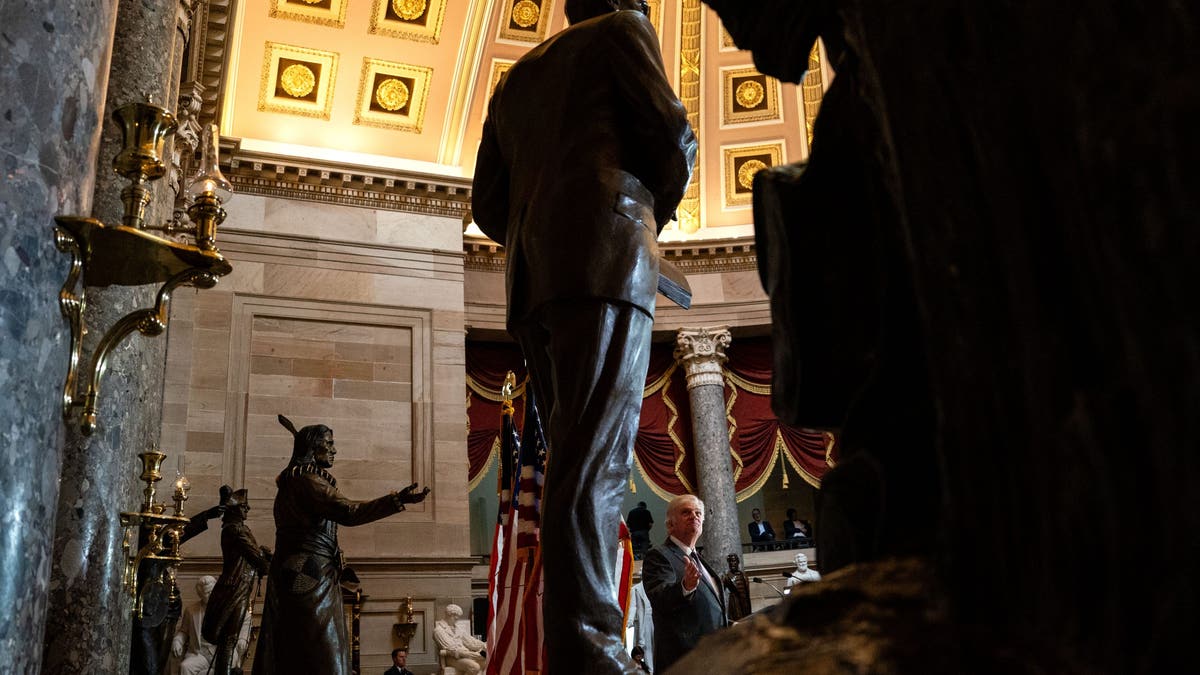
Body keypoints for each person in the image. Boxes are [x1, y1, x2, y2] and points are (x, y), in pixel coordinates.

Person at [471, 0, 696, 671]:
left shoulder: (517, 78)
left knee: (573, 459)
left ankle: (580, 644)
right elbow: (674, 134)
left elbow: (488, 202)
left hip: (534, 279)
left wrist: (543, 226)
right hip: (607, 261)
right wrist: (645, 216)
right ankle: (593, 650)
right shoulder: (624, 32)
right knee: (593, 466)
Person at [252, 415, 430, 675]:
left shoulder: (297, 480)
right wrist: (395, 501)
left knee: (301, 650)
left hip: (303, 571)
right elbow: (349, 512)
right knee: (324, 655)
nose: (334, 450)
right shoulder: (308, 481)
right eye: (329, 443)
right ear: (313, 448)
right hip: (309, 574)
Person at [132, 500, 225, 675]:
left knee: (158, 661)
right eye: (153, 521)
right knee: (149, 665)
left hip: (168, 608)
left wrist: (207, 515)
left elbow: (181, 532)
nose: (158, 525)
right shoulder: (141, 545)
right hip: (145, 611)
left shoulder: (159, 542)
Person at [641, 495, 727, 671]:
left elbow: (708, 612)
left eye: (698, 513)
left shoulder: (701, 561)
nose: (694, 516)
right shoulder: (659, 556)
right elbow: (660, 598)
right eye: (686, 512)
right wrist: (685, 586)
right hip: (684, 664)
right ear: (670, 524)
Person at [203, 487, 271, 675]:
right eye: (243, 506)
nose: (247, 509)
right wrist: (266, 559)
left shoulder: (239, 528)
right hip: (234, 588)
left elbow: (253, 555)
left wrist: (263, 556)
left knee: (229, 639)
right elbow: (255, 555)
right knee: (229, 639)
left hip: (240, 586)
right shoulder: (234, 530)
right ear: (233, 509)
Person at [172, 576, 217, 675]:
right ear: (201, 594)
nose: (211, 595)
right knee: (185, 667)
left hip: (218, 653)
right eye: (207, 593)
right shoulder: (191, 610)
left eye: (213, 591)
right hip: (199, 653)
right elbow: (183, 631)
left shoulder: (225, 609)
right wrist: (177, 641)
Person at [433, 604, 486, 675]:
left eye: (458, 616)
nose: (457, 618)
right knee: (474, 667)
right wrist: (471, 655)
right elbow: (451, 648)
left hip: (466, 654)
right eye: (455, 616)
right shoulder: (439, 630)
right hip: (451, 658)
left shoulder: (458, 628)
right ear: (449, 615)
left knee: (486, 662)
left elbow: (471, 642)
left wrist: (485, 645)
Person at [721, 554, 752, 622]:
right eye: (730, 561)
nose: (732, 563)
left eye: (734, 561)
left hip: (745, 604)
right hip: (735, 604)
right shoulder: (726, 577)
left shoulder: (744, 576)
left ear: (738, 562)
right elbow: (720, 592)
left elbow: (747, 593)